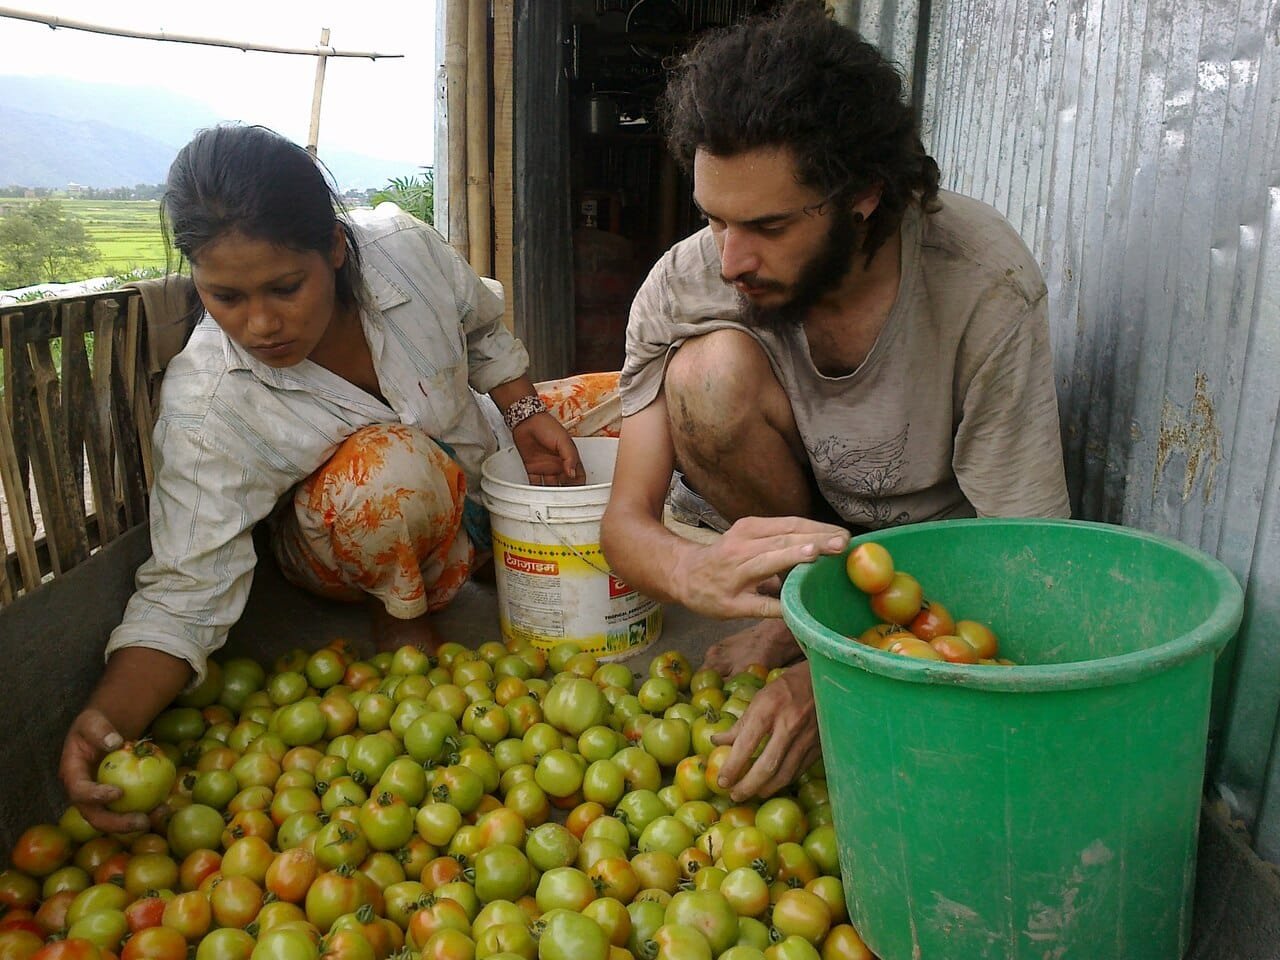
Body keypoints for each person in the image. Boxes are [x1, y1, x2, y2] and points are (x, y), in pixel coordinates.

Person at [60, 124, 619, 832]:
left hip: (471, 472)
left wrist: (524, 408)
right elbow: (185, 588)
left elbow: (479, 327)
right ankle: (403, 630)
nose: (261, 324)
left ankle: (491, 551)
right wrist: (105, 721)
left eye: (285, 287)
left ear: (334, 247)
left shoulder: (402, 252)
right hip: (354, 534)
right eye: (225, 297)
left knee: (635, 399)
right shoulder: (211, 402)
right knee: (386, 471)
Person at [600, 2, 1070, 802]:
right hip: (804, 529)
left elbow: (1029, 559)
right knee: (706, 377)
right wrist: (691, 570)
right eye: (713, 218)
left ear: (862, 196)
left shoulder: (982, 287)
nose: (731, 258)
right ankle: (803, 608)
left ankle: (817, 626)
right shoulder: (687, 283)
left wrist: (856, 672)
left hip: (931, 566)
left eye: (769, 225)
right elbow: (623, 524)